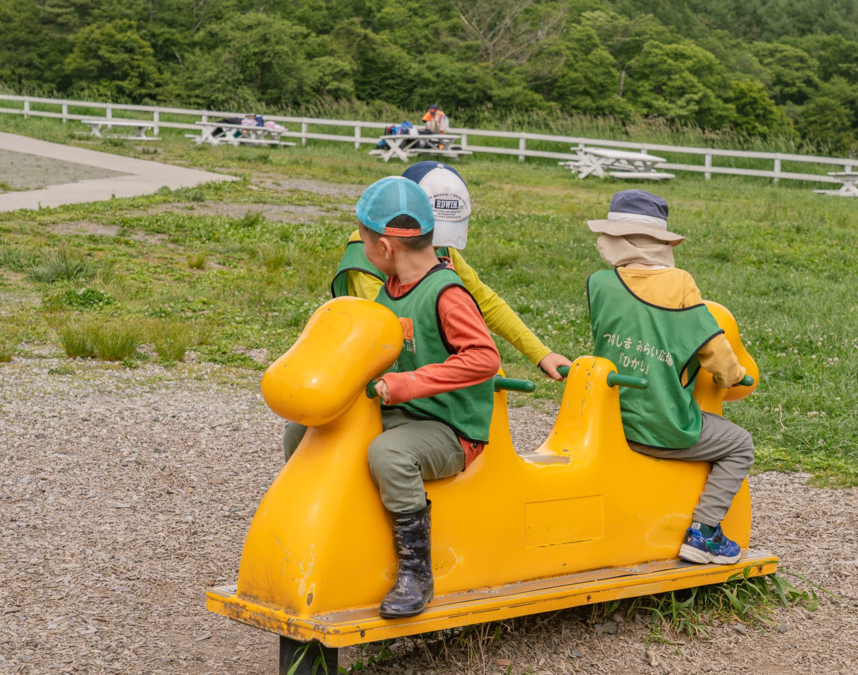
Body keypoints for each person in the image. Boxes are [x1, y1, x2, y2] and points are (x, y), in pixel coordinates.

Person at [282, 162, 571, 460]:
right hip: (396, 392)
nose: (433, 248)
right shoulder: (369, 256)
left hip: (428, 403)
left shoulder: (433, 251)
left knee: (387, 452)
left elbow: (484, 302)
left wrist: (541, 353)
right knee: (309, 430)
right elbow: (379, 334)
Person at [356, 176, 501, 617]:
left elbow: (484, 358)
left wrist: (406, 384)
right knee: (308, 432)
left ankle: (417, 571)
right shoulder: (390, 290)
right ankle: (346, 537)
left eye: (362, 239)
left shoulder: (446, 293)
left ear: (385, 247)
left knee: (389, 454)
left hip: (452, 429)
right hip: (406, 414)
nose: (362, 249)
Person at [585, 189, 754, 565]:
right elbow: (712, 348)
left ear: (614, 238)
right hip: (661, 428)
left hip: (612, 421)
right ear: (660, 241)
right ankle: (705, 532)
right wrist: (734, 375)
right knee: (739, 443)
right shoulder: (679, 283)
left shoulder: (599, 284)